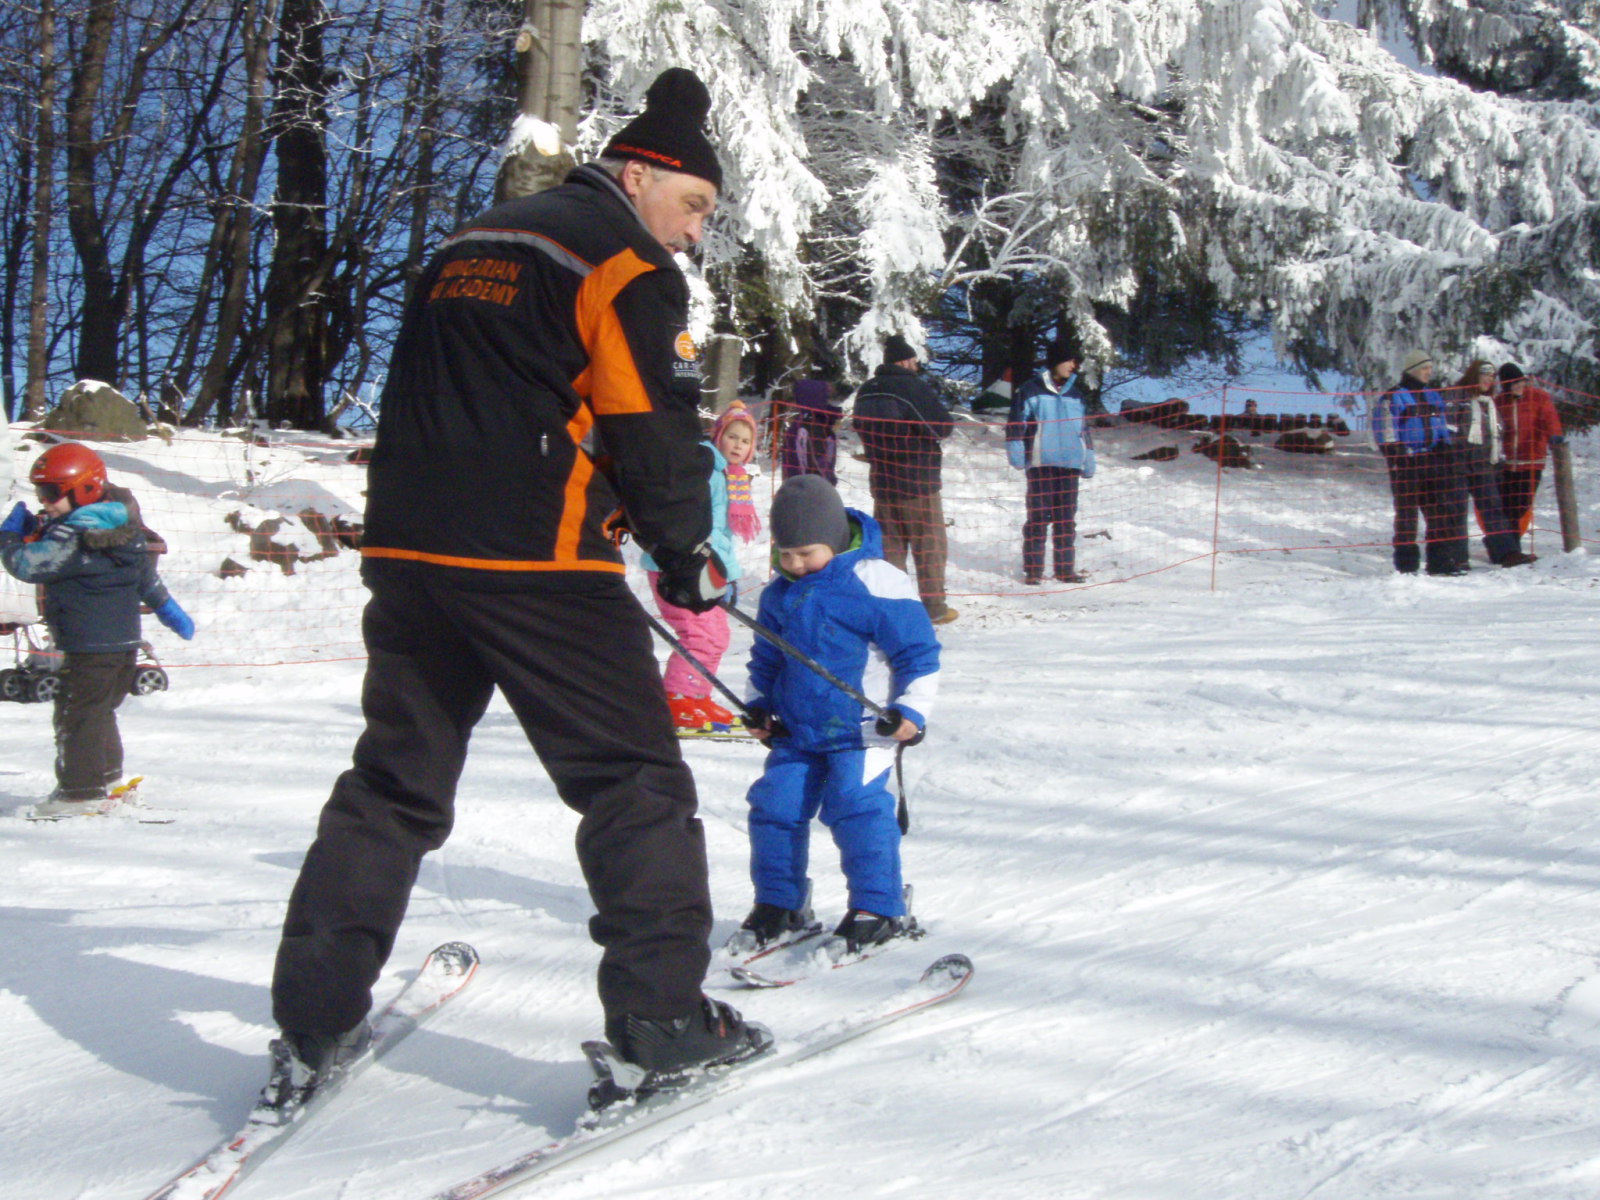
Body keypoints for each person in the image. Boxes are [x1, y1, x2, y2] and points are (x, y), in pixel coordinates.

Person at [261, 67, 769, 1116]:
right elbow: (649, 425)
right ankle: (663, 1024)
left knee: (393, 784)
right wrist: (684, 548)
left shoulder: (470, 241)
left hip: (411, 551)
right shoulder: (623, 262)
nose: (693, 234)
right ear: (640, 173)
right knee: (633, 782)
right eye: (692, 206)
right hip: (537, 561)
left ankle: (314, 1015)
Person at [730, 475, 940, 955]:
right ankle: (780, 904)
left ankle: (879, 908)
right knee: (775, 806)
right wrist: (758, 704)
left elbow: (918, 655)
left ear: (835, 539)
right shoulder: (779, 593)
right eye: (785, 554)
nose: (794, 564)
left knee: (854, 806)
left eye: (806, 553)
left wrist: (910, 709)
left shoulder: (877, 581)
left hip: (863, 730)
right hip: (798, 731)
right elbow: (766, 660)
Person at [0, 443, 194, 817]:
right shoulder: (125, 529)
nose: (44, 502)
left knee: (76, 716)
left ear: (86, 490)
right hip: (122, 646)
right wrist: (168, 610)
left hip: (88, 647)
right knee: (99, 713)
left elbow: (28, 566)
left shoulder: (74, 535)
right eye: (40, 492)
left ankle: (79, 794)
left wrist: (8, 538)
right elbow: (146, 578)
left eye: (51, 492)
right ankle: (106, 778)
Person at [644, 400, 761, 730]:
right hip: (680, 567)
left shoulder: (730, 475)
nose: (738, 445)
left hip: (706, 569)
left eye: (745, 440)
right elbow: (694, 521)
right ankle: (677, 700)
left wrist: (728, 577)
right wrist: (700, 563)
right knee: (699, 636)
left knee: (717, 636)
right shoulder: (706, 467)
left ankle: (697, 697)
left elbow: (722, 535)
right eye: (732, 436)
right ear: (718, 435)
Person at [850, 335, 957, 624]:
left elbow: (859, 427)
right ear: (906, 361)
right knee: (928, 544)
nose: (916, 365)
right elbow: (942, 427)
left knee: (891, 547)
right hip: (917, 479)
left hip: (882, 480)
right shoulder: (912, 386)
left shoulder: (867, 390)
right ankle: (934, 608)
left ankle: (894, 607)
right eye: (914, 360)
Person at [1006, 339, 1096, 585]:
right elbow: (1016, 422)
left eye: (1076, 361)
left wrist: (1088, 457)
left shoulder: (1077, 394)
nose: (1074, 366)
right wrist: (1015, 449)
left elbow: (1084, 429)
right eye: (1070, 360)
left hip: (1070, 465)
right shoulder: (1030, 389)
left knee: (1066, 519)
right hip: (1041, 464)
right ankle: (1033, 571)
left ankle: (1065, 569)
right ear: (1056, 361)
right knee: (1038, 518)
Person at [1370, 351, 1468, 575]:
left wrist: (1446, 448)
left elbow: (1441, 425)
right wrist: (1397, 455)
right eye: (1425, 368)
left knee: (1439, 512)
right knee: (1407, 514)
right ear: (1412, 369)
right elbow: (1385, 429)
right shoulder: (1394, 396)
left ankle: (1440, 562)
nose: (1428, 372)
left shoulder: (1432, 396)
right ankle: (1407, 565)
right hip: (1407, 462)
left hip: (1432, 460)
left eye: (1430, 368)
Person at [1449, 360, 1533, 567]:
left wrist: (1497, 464)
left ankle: (1506, 553)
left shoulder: (1489, 403)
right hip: (1458, 465)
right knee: (1457, 511)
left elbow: (1496, 435)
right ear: (1474, 375)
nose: (1488, 380)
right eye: (1484, 374)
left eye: (1492, 376)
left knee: (1493, 508)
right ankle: (1457, 558)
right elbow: (1448, 431)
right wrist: (1450, 457)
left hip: (1484, 466)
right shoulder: (1457, 397)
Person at [1494, 362, 1565, 537]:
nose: (1519, 386)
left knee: (1522, 503)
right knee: (1507, 505)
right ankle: (1511, 543)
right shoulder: (1500, 402)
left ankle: (1510, 541)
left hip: (1532, 460)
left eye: (1521, 382)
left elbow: (1550, 418)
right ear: (1506, 387)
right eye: (1514, 384)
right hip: (1508, 462)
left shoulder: (1539, 397)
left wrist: (1555, 434)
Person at [779, 379, 841, 485]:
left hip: (797, 485)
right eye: (825, 398)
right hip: (808, 486)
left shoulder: (803, 423)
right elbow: (819, 461)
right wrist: (828, 482)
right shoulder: (812, 426)